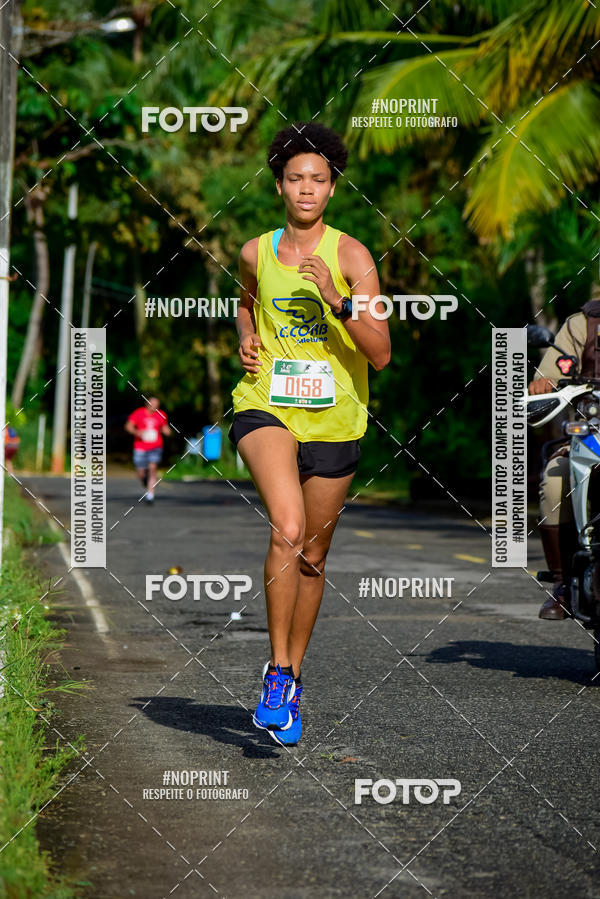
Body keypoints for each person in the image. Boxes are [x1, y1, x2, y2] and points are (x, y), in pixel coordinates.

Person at [229, 122, 390, 746]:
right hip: (266, 404)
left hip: (336, 418)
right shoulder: (255, 251)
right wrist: (244, 334)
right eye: (295, 178)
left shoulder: (354, 259)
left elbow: (379, 354)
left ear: (332, 190)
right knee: (287, 530)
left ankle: (291, 678)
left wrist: (339, 300)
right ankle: (277, 673)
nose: (306, 189)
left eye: (318, 180)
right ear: (279, 186)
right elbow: (246, 300)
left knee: (314, 559)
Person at [529, 295, 600, 619]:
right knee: (555, 481)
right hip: (590, 435)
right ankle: (562, 585)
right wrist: (544, 384)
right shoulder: (584, 323)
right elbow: (549, 376)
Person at [125, 397, 171, 504]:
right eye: (152, 404)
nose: (154, 407)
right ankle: (145, 480)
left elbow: (164, 428)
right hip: (140, 447)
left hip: (155, 446)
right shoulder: (139, 413)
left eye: (157, 405)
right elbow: (128, 426)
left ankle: (150, 495)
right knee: (141, 473)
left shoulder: (161, 414)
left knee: (152, 468)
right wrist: (137, 432)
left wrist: (168, 431)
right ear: (147, 404)